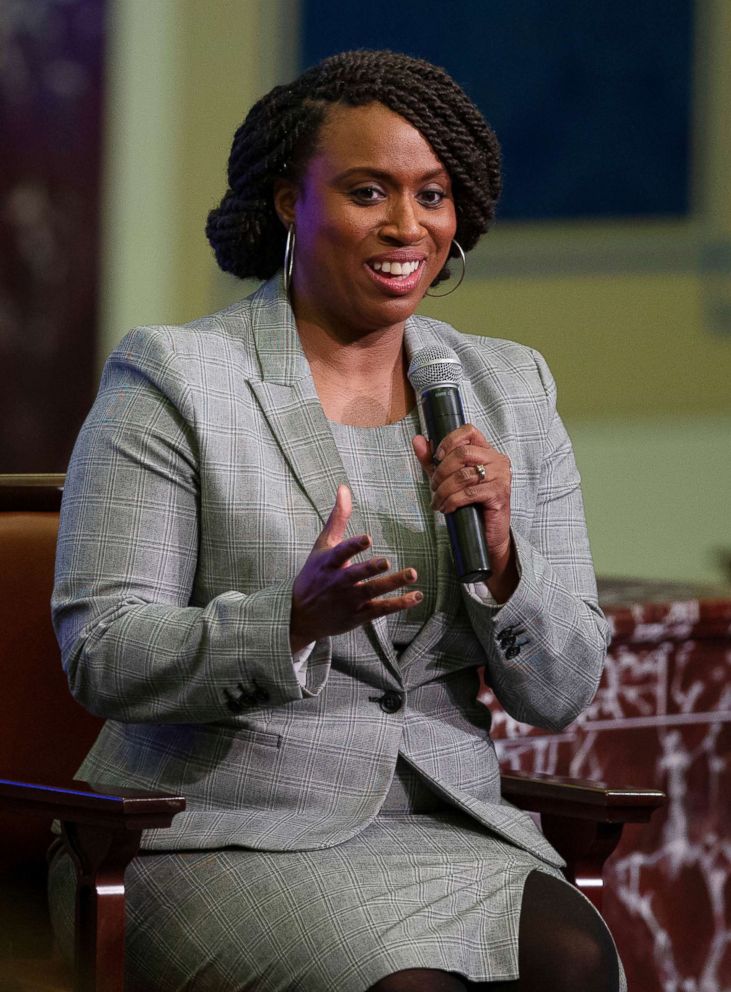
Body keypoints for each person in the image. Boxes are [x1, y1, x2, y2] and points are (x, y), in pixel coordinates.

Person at [49, 49, 622, 992]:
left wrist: (510, 559)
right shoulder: (177, 378)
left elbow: (559, 692)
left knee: (574, 964)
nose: (407, 226)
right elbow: (103, 652)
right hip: (216, 834)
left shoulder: (507, 387)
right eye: (368, 191)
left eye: (432, 196)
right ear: (288, 201)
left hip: (447, 826)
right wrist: (290, 619)